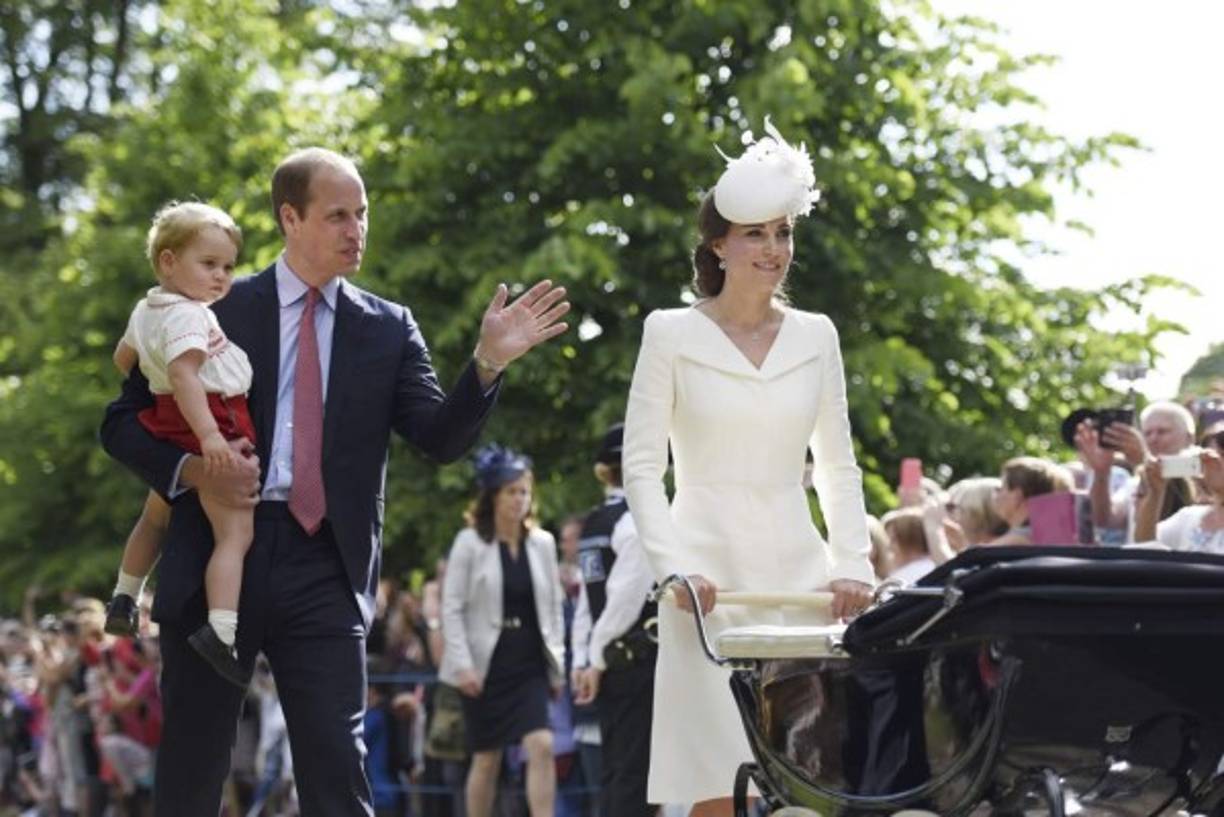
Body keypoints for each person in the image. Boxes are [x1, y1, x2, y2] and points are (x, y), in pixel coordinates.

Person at [99, 147, 570, 817]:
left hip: (327, 563)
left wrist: (487, 364)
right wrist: (196, 469)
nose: (357, 230)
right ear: (290, 218)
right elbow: (120, 423)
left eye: (363, 213)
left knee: (337, 770)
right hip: (216, 553)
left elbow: (439, 439)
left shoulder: (388, 327)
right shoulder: (218, 306)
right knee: (193, 768)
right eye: (338, 215)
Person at [622, 118, 875, 815]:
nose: (774, 249)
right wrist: (671, 566)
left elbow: (838, 464)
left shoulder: (817, 335)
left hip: (799, 578)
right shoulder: (669, 332)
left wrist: (852, 561)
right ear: (719, 244)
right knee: (712, 786)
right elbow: (641, 465)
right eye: (756, 233)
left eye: (784, 232)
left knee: (810, 782)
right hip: (703, 583)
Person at [102, 202, 254, 687]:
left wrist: (156, 371)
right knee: (235, 533)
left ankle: (126, 594)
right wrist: (211, 437)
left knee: (155, 514)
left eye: (228, 267)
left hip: (165, 420)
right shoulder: (190, 315)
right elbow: (186, 374)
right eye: (208, 264)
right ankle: (222, 631)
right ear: (168, 261)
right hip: (214, 422)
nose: (221, 277)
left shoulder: (147, 309)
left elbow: (122, 359)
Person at [438, 444, 564, 817]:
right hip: (483, 664)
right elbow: (452, 606)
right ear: (493, 495)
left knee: (541, 744)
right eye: (511, 491)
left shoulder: (543, 544)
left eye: (524, 491)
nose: (519, 499)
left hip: (529, 660)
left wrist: (558, 665)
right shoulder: (469, 542)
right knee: (487, 757)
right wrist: (461, 665)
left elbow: (554, 608)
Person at [572, 423, 658, 817]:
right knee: (636, 774)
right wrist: (597, 659)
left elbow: (587, 604)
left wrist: (584, 661)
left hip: (606, 664)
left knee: (614, 768)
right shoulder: (640, 520)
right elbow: (624, 599)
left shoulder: (592, 524)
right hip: (634, 660)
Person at [989, 457, 1074, 546]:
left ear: (1017, 495)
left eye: (1002, 488)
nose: (996, 493)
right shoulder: (1054, 535)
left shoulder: (1014, 542)